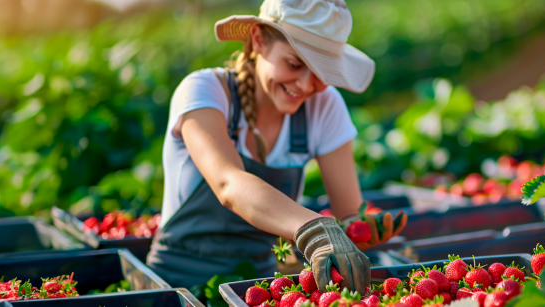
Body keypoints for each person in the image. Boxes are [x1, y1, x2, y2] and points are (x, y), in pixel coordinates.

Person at [146, 0, 407, 294]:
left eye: (322, 72)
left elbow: (349, 211)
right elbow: (229, 183)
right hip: (174, 283)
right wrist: (315, 227)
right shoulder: (204, 90)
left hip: (257, 287)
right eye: (295, 64)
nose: (307, 85)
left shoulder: (323, 106)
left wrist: (358, 228)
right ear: (258, 40)